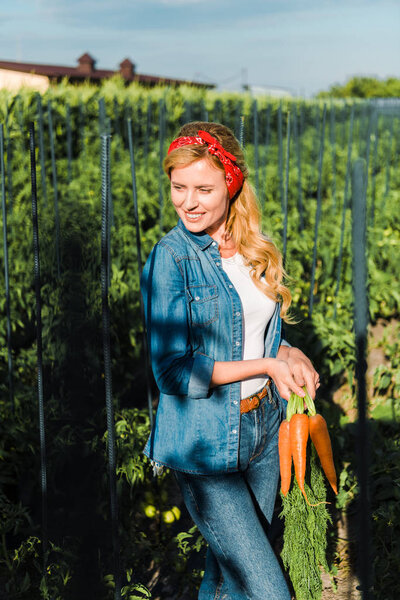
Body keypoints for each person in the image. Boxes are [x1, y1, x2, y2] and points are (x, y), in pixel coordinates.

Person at [140, 121, 319, 600]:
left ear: (231, 185)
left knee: (226, 580)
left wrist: (287, 351)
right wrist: (266, 367)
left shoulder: (251, 248)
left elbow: (252, 334)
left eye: (203, 188)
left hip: (262, 429)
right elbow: (173, 371)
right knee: (268, 589)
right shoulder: (172, 259)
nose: (188, 202)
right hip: (205, 445)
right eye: (179, 188)